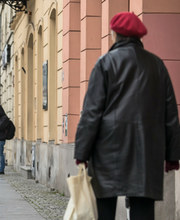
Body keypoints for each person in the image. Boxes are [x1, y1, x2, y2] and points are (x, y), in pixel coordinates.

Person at [74, 12, 180, 220]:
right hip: (146, 149)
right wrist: (172, 155)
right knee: (143, 209)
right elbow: (170, 113)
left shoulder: (105, 63)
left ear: (115, 34)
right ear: (138, 36)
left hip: (107, 150)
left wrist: (82, 151)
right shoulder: (157, 65)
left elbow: (91, 112)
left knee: (104, 207)